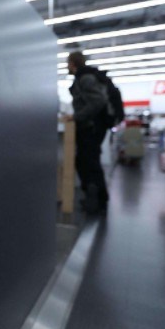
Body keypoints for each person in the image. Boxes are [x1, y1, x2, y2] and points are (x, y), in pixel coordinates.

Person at [65, 51, 109, 214]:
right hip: (90, 127)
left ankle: (97, 201)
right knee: (86, 162)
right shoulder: (83, 78)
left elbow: (98, 101)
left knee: (89, 163)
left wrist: (77, 116)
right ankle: (96, 199)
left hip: (90, 128)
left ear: (72, 63)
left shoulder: (85, 79)